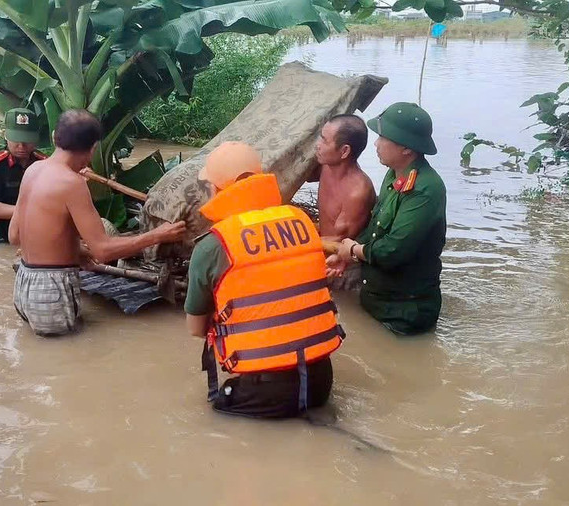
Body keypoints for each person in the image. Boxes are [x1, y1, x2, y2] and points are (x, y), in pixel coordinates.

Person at [185, 141, 345, 418]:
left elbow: (196, 328)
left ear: (217, 189)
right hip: (320, 381)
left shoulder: (213, 245)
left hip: (264, 393)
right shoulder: (302, 222)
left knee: (210, 415)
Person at [9, 110, 186, 337]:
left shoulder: (33, 170)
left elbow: (15, 235)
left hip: (24, 284)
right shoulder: (72, 183)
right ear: (93, 149)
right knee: (67, 364)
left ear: (54, 137)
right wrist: (158, 235)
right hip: (51, 291)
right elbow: (103, 251)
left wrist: (76, 251)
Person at [327, 102, 447, 335]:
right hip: (377, 300)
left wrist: (353, 250)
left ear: (407, 149)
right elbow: (375, 229)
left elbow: (393, 250)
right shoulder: (394, 174)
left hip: (404, 313)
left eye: (383, 138)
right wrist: (348, 257)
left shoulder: (426, 189)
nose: (376, 144)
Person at [314, 114, 377, 290]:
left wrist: (293, 240)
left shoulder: (358, 192)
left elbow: (340, 241)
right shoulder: (325, 165)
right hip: (321, 251)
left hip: (343, 264)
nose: (317, 145)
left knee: (340, 308)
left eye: (324, 141)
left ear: (344, 152)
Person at [0, 108, 48, 244]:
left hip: (32, 231)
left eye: (27, 140)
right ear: (6, 135)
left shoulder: (44, 163)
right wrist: (30, 211)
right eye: (16, 140)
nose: (21, 146)